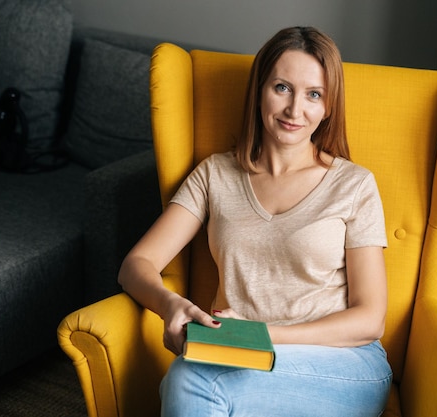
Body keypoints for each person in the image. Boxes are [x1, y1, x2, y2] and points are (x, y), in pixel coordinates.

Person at [118, 26, 393, 417]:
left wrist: (263, 335)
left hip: (343, 365)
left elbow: (370, 319)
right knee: (192, 379)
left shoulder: (354, 184)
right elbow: (136, 266)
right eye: (282, 88)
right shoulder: (215, 175)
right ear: (259, 90)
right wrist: (171, 305)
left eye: (313, 94)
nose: (295, 110)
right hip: (238, 356)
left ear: (329, 106)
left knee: (191, 379)